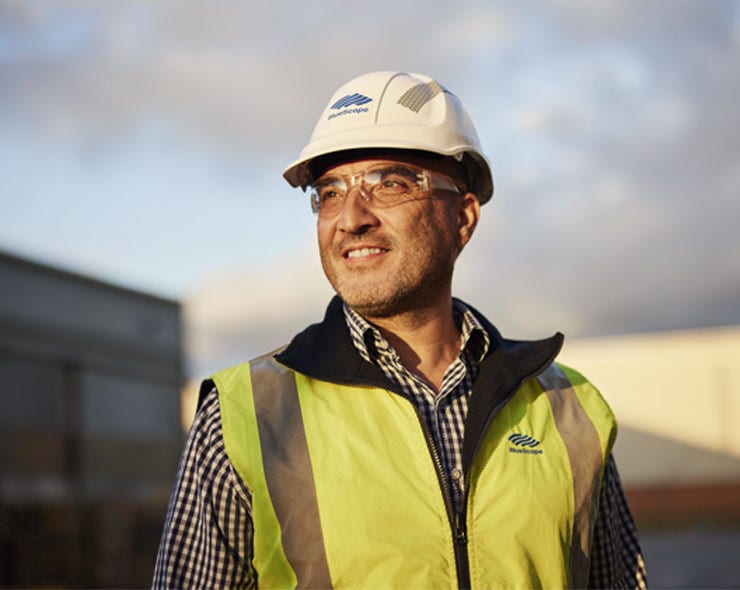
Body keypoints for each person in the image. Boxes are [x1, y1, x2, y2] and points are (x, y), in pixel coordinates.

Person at [153, 71, 647, 589]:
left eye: (388, 184)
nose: (350, 218)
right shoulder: (246, 414)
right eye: (329, 192)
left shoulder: (569, 407)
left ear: (463, 218)